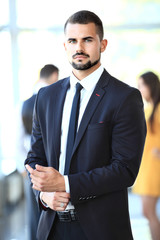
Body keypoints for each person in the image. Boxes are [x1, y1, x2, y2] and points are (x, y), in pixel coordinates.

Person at [25, 10, 146, 240]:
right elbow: (34, 160)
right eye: (73, 40)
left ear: (103, 44)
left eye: (87, 40)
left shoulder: (124, 98)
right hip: (51, 228)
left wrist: (65, 183)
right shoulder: (46, 97)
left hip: (100, 230)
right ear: (65, 46)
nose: (79, 47)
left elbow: (124, 170)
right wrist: (44, 196)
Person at [17, 64, 59, 240]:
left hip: (31, 165)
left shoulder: (24, 103)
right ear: (54, 76)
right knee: (56, 212)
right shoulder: (56, 100)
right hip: (53, 165)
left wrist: (23, 167)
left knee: (35, 214)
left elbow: (17, 139)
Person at [133, 71, 160, 240]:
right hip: (146, 166)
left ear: (150, 86)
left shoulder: (158, 110)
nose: (139, 90)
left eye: (141, 85)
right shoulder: (149, 109)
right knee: (147, 211)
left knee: (148, 211)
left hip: (154, 167)